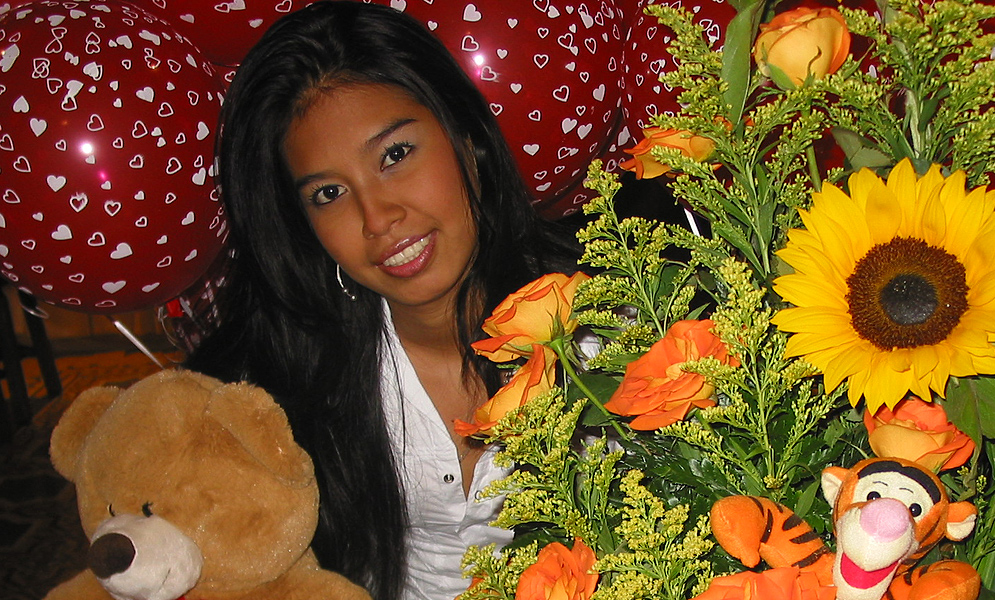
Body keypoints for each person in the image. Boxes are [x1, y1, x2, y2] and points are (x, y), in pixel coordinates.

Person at [184, 3, 581, 600]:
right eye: (329, 193)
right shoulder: (286, 383)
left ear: (465, 137)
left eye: (395, 155)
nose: (378, 219)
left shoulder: (614, 314)